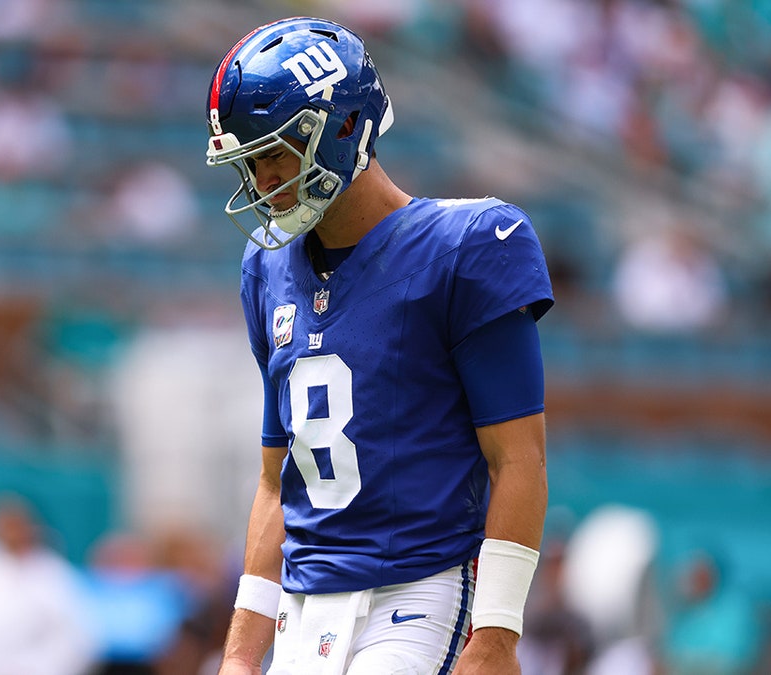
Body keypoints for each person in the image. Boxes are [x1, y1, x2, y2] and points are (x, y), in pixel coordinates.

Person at [204, 17, 554, 674]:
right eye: (251, 163)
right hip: (303, 611)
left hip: (418, 590)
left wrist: (498, 634)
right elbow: (275, 484)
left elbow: (519, 458)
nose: (263, 181)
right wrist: (241, 656)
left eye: (275, 153)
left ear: (343, 127)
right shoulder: (265, 268)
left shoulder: (469, 244)